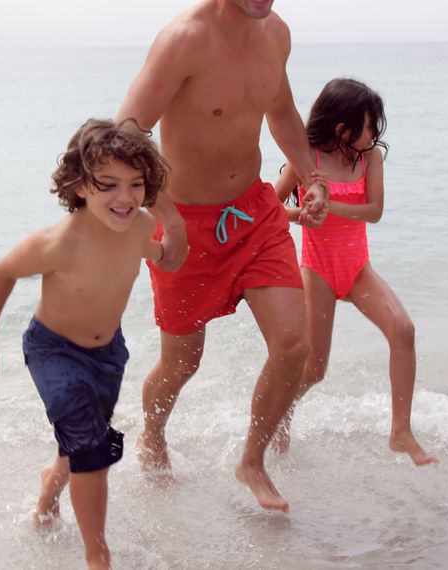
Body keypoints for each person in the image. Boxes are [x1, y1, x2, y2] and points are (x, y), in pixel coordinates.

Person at [116, 0, 328, 512]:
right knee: (182, 362)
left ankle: (251, 461)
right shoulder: (184, 40)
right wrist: (163, 215)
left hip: (255, 213)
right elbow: (125, 132)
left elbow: (280, 112)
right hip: (185, 225)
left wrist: (311, 177)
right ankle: (153, 434)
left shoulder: (276, 34)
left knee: (294, 344)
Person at [0, 118, 168, 570]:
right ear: (80, 186)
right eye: (109, 184)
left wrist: (172, 252)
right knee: (92, 453)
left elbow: (156, 254)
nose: (125, 196)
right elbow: (3, 272)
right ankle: (97, 554)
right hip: (54, 351)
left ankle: (50, 487)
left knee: (82, 442)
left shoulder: (141, 226)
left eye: (136, 184)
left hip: (108, 355)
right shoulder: (59, 242)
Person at [273, 78, 437, 466]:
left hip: (357, 268)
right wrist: (300, 215)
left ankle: (400, 431)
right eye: (368, 126)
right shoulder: (306, 160)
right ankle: (278, 415)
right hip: (318, 272)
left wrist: (332, 208)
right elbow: (270, 209)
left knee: (403, 331)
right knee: (314, 369)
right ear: (341, 128)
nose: (375, 134)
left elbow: (375, 211)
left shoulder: (370, 159)